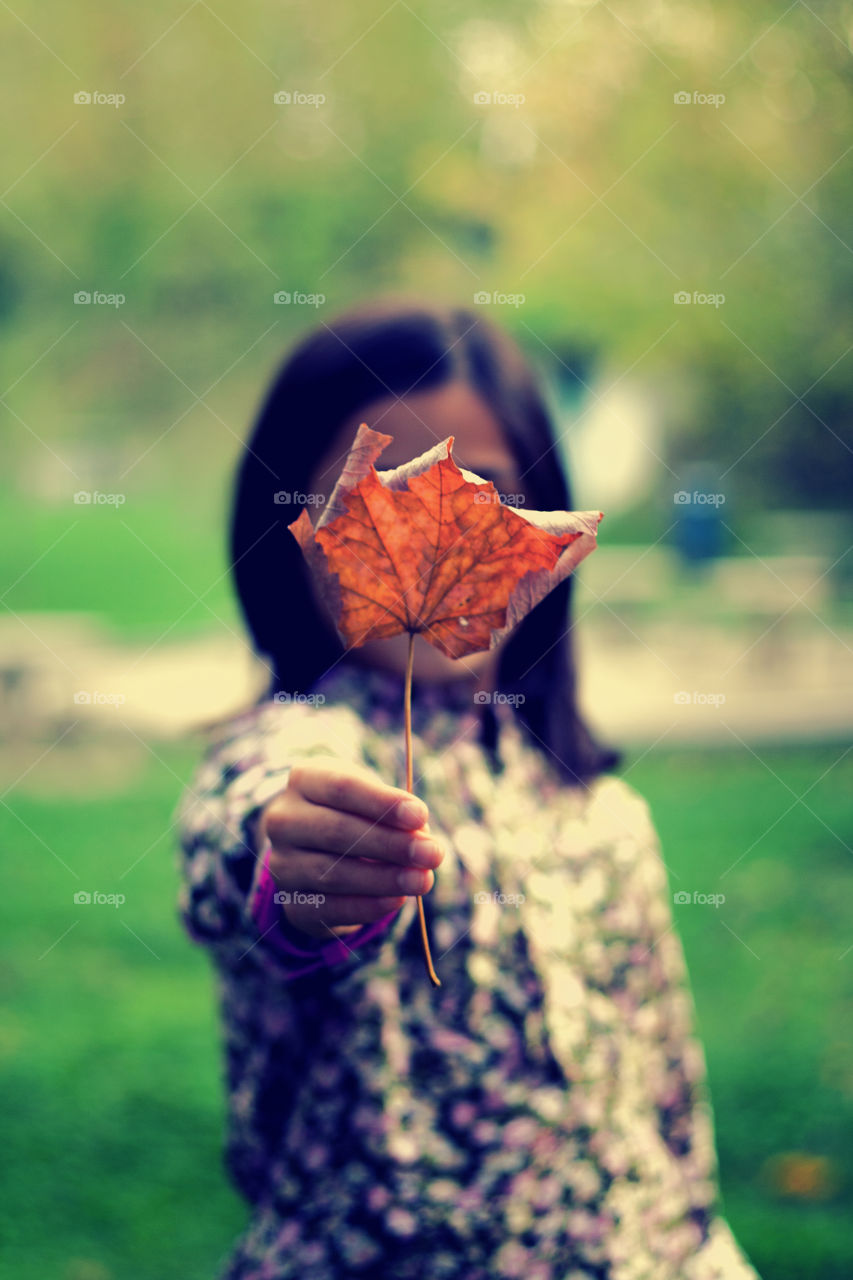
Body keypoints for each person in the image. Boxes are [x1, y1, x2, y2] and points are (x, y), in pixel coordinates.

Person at [176, 297, 760, 1279]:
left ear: (537, 514)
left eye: (477, 485)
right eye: (370, 492)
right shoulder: (311, 745)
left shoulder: (591, 800)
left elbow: (663, 1099)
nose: (434, 531)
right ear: (292, 526)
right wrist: (300, 880)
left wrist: (705, 1249)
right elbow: (249, 837)